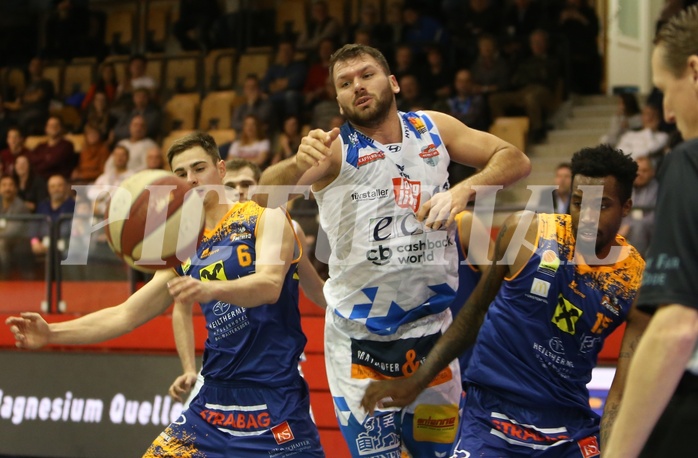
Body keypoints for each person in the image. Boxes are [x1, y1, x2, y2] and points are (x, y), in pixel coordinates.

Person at [259, 43, 530, 457]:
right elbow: (261, 198)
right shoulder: (332, 149)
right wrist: (295, 163)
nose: (358, 87)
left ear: (393, 82)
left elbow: (514, 159)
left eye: (366, 75)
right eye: (345, 83)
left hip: (432, 336)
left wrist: (464, 190)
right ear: (337, 98)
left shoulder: (432, 128)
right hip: (360, 342)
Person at [6, 132, 325, 457]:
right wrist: (51, 333)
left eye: (199, 168)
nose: (191, 180)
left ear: (221, 169)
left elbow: (270, 286)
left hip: (274, 400)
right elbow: (126, 314)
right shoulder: (182, 248)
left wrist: (208, 288)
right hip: (211, 405)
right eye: (181, 175)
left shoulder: (266, 217)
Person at [362, 144, 647, 457]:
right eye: (579, 203)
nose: (588, 217)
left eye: (602, 205)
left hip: (568, 427)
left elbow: (622, 392)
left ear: (626, 206)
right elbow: (476, 310)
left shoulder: (635, 282)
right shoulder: (527, 232)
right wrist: (417, 381)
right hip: (492, 416)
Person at [604, 6, 698, 456]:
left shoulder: (688, 160)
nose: (665, 111)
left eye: (665, 90)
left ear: (695, 70)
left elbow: (677, 328)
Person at [168, 157, 327, 409]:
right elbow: (181, 305)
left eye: (247, 184)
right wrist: (188, 368)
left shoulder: (284, 225)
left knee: (291, 446)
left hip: (276, 371)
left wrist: (353, 319)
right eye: (231, 185)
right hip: (221, 370)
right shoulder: (199, 238)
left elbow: (314, 287)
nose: (239, 190)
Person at [618, 155, 658, 257]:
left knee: (639, 226)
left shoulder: (659, 190)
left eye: (644, 171)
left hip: (650, 235)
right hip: (622, 233)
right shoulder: (624, 189)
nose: (640, 174)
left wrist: (630, 225)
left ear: (652, 172)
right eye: (637, 171)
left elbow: (656, 217)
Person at [30, 174, 75, 257]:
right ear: (48, 189)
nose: (56, 189)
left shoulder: (74, 206)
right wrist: (35, 242)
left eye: (59, 186)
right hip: (43, 244)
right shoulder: (42, 206)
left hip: (66, 246)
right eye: (52, 186)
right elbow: (34, 227)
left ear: (66, 187)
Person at [29, 116, 76, 180]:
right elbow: (32, 161)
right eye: (50, 125)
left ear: (61, 128)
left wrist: (42, 161)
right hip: (40, 180)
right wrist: (46, 158)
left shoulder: (67, 145)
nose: (53, 127)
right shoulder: (40, 147)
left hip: (59, 180)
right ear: (46, 129)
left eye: (56, 125)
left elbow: (54, 161)